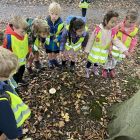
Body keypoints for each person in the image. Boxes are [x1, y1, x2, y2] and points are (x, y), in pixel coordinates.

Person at [85, 10, 129, 78]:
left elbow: (117, 41)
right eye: (112, 22)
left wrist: (124, 50)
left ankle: (95, 69)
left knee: (97, 62)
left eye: (115, 22)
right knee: (90, 61)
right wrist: (87, 50)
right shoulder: (98, 29)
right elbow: (91, 40)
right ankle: (87, 70)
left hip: (102, 52)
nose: (114, 24)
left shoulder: (112, 32)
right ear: (106, 21)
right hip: (94, 51)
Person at [0, 47, 31, 140]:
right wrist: (15, 133)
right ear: (2, 76)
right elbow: (11, 131)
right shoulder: (2, 101)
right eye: (12, 73)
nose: (14, 74)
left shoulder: (3, 83)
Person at [106, 9, 139, 78]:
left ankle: (112, 68)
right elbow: (111, 35)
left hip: (123, 49)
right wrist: (110, 45)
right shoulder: (119, 26)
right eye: (130, 22)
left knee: (116, 60)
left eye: (133, 22)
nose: (132, 24)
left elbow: (134, 41)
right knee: (110, 59)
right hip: (115, 47)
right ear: (125, 19)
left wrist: (130, 50)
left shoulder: (135, 30)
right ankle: (106, 69)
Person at [3, 16, 30, 85]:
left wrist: (29, 51)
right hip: (13, 63)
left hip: (22, 60)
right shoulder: (9, 38)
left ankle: (19, 80)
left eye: (25, 32)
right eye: (22, 32)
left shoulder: (24, 34)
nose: (24, 34)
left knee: (22, 70)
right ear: (14, 28)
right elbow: (5, 52)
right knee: (14, 75)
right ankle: (15, 85)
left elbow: (26, 43)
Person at [45, 2, 64, 69]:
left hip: (56, 40)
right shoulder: (46, 21)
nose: (54, 16)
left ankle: (54, 60)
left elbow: (62, 33)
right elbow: (44, 31)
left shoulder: (61, 23)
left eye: (56, 14)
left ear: (59, 14)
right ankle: (50, 61)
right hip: (49, 40)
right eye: (52, 14)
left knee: (56, 51)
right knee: (49, 51)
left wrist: (58, 38)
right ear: (49, 12)